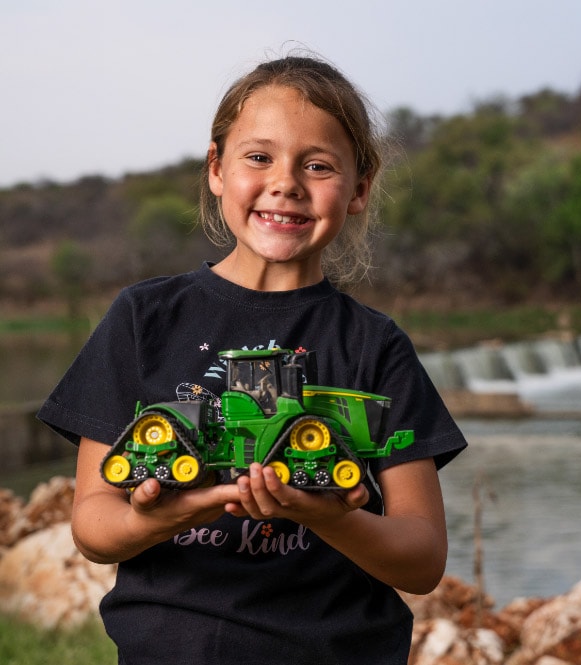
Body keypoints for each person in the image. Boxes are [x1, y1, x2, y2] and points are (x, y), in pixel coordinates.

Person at [38, 54, 467, 664]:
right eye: (259, 156)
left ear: (359, 190)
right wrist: (175, 512)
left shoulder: (376, 346)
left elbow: (422, 560)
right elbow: (94, 528)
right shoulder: (143, 318)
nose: (286, 182)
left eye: (317, 166)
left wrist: (329, 517)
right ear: (217, 169)